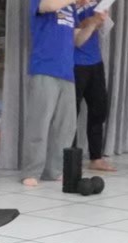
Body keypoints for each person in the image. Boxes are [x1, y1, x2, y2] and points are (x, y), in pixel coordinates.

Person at [22, 0, 80, 188]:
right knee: (39, 123)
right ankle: (31, 171)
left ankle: (54, 169)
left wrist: (94, 23)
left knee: (65, 126)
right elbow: (49, 6)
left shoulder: (71, 7)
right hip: (44, 68)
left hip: (67, 71)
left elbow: (77, 39)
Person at [73, 2, 116, 173]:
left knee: (99, 110)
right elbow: (75, 29)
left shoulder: (95, 4)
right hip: (74, 64)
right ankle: (71, 159)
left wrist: (100, 18)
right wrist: (92, 20)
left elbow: (103, 27)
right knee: (71, 114)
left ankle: (96, 157)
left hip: (95, 62)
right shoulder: (67, 5)